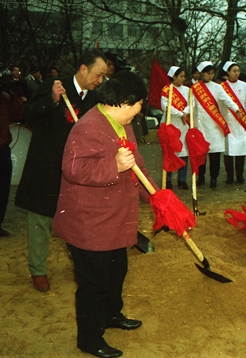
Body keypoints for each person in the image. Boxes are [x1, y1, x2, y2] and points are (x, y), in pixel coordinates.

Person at [52, 71, 155, 358]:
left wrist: (157, 198)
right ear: (124, 102)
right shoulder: (87, 127)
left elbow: (139, 167)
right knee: (93, 284)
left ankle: (111, 315)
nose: (139, 112)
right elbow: (72, 170)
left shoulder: (122, 124)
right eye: (138, 106)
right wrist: (114, 166)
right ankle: (89, 338)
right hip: (88, 225)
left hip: (113, 222)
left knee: (116, 272)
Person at [15, 49, 107, 292]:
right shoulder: (53, 86)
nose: (100, 81)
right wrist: (52, 100)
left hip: (77, 170)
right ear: (83, 68)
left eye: (103, 77)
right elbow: (28, 114)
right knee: (41, 219)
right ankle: (38, 269)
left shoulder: (95, 99)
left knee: (76, 219)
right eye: (98, 75)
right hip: (46, 166)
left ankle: (80, 266)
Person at [192, 61, 241, 188]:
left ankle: (214, 177)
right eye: (208, 74)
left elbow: (227, 99)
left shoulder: (217, 87)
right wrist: (186, 114)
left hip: (214, 125)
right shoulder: (195, 88)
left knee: (215, 154)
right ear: (202, 73)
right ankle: (201, 176)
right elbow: (191, 105)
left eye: (212, 73)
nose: (211, 76)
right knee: (201, 154)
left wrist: (236, 109)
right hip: (201, 125)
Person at [220, 61, 246, 184]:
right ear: (228, 72)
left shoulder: (245, 86)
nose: (236, 73)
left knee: (241, 149)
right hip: (228, 122)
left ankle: (240, 175)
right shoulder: (222, 87)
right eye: (234, 71)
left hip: (241, 122)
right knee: (228, 150)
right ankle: (229, 175)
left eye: (238, 71)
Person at [160, 66, 190, 189]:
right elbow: (165, 106)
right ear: (174, 77)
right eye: (181, 76)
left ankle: (182, 179)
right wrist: (180, 113)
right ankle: (167, 180)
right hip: (170, 124)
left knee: (184, 151)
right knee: (170, 152)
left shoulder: (188, 90)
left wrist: (185, 112)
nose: (183, 79)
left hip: (184, 125)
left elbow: (190, 103)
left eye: (184, 76)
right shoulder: (167, 90)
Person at [0, 73, 22, 236]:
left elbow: (15, 115)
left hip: (2, 147)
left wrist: (14, 95)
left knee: (3, 188)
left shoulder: (4, 97)